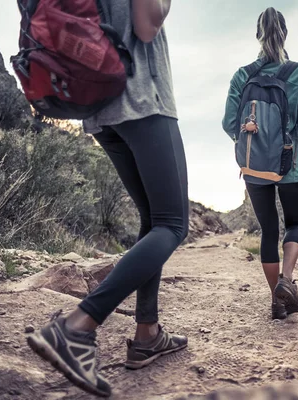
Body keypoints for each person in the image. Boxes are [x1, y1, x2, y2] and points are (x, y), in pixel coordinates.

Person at [26, 0, 188, 397]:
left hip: (99, 104)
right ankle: (76, 327)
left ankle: (147, 333)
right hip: (142, 99)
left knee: (153, 219)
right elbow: (147, 25)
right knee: (173, 224)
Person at [222, 7, 298, 321]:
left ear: (258, 35)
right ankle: (287, 281)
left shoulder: (242, 75)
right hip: (289, 164)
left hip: (254, 169)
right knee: (294, 225)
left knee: (268, 230)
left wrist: (255, 145)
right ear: (285, 34)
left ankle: (276, 301)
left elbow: (228, 124)